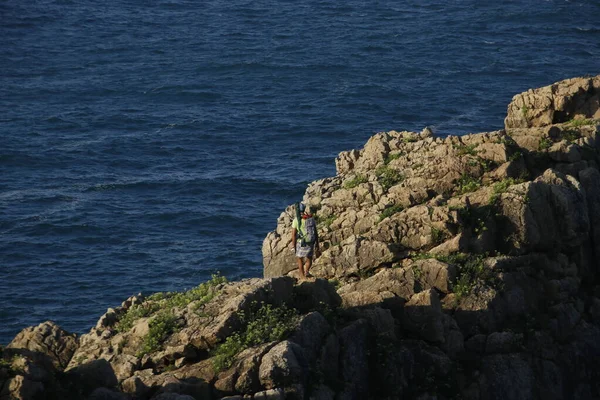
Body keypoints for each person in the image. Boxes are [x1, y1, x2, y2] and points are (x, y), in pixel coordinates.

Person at [291, 203, 320, 279]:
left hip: (302, 243)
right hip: (311, 242)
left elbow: (293, 235)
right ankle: (307, 271)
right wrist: (317, 243)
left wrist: (293, 246)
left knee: (299, 259)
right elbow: (315, 232)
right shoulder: (311, 218)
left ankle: (302, 275)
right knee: (309, 258)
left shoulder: (296, 220)